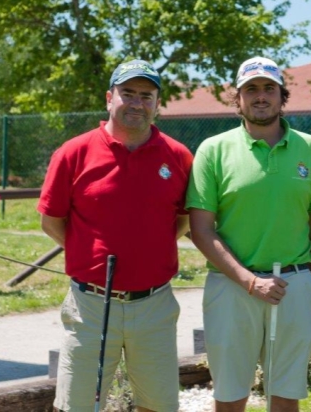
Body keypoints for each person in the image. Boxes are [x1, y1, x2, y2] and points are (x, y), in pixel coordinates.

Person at [38, 59, 194, 412]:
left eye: (146, 95)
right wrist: (85, 250)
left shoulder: (179, 156)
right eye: (128, 93)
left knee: (158, 405)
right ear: (110, 98)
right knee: (76, 405)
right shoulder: (73, 152)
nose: (137, 103)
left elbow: (181, 221)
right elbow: (51, 220)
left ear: (157, 104)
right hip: (90, 305)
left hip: (154, 305)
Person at [186, 56, 311, 412]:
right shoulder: (213, 150)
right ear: (237, 98)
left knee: (285, 395)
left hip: (294, 285)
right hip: (231, 286)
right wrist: (250, 281)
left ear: (282, 95)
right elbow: (201, 230)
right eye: (251, 89)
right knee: (230, 395)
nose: (260, 96)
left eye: (269, 88)